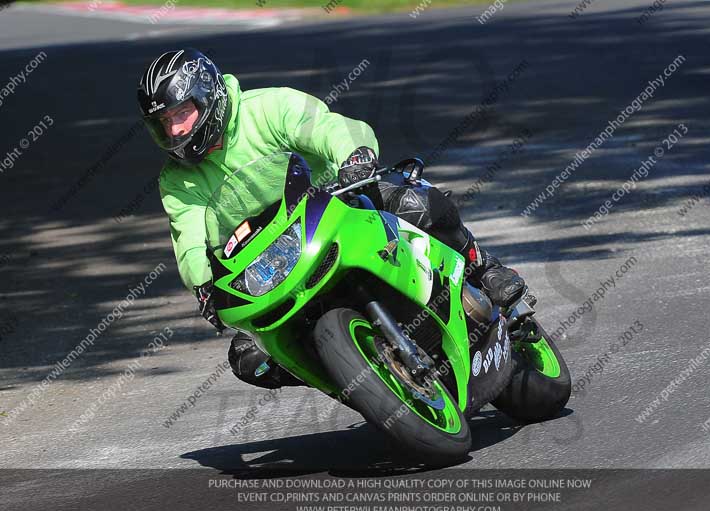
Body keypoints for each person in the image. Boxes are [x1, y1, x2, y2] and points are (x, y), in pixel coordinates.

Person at [137, 48, 526, 389]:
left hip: (337, 203)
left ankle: (483, 266)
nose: (175, 130)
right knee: (249, 358)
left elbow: (327, 128)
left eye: (182, 113)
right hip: (270, 264)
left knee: (412, 203)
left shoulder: (269, 106)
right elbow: (187, 239)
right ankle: (351, 378)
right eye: (164, 123)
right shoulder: (176, 180)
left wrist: (353, 155)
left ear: (211, 99)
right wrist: (204, 286)